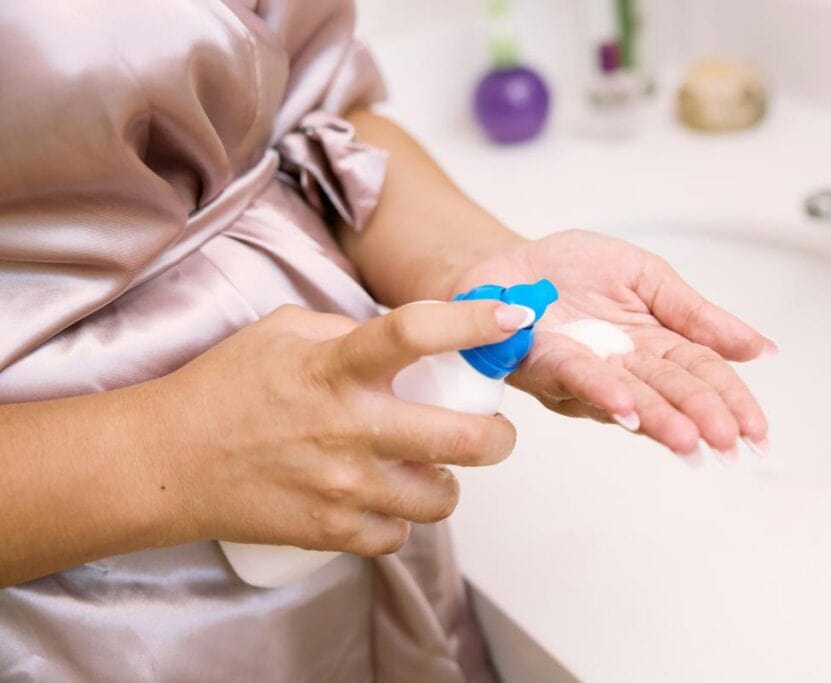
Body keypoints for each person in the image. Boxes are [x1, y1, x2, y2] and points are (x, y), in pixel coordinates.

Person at [0, 1, 773, 681]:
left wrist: (481, 267)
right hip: (94, 619)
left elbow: (320, 122)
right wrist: (171, 448)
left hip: (351, 533)